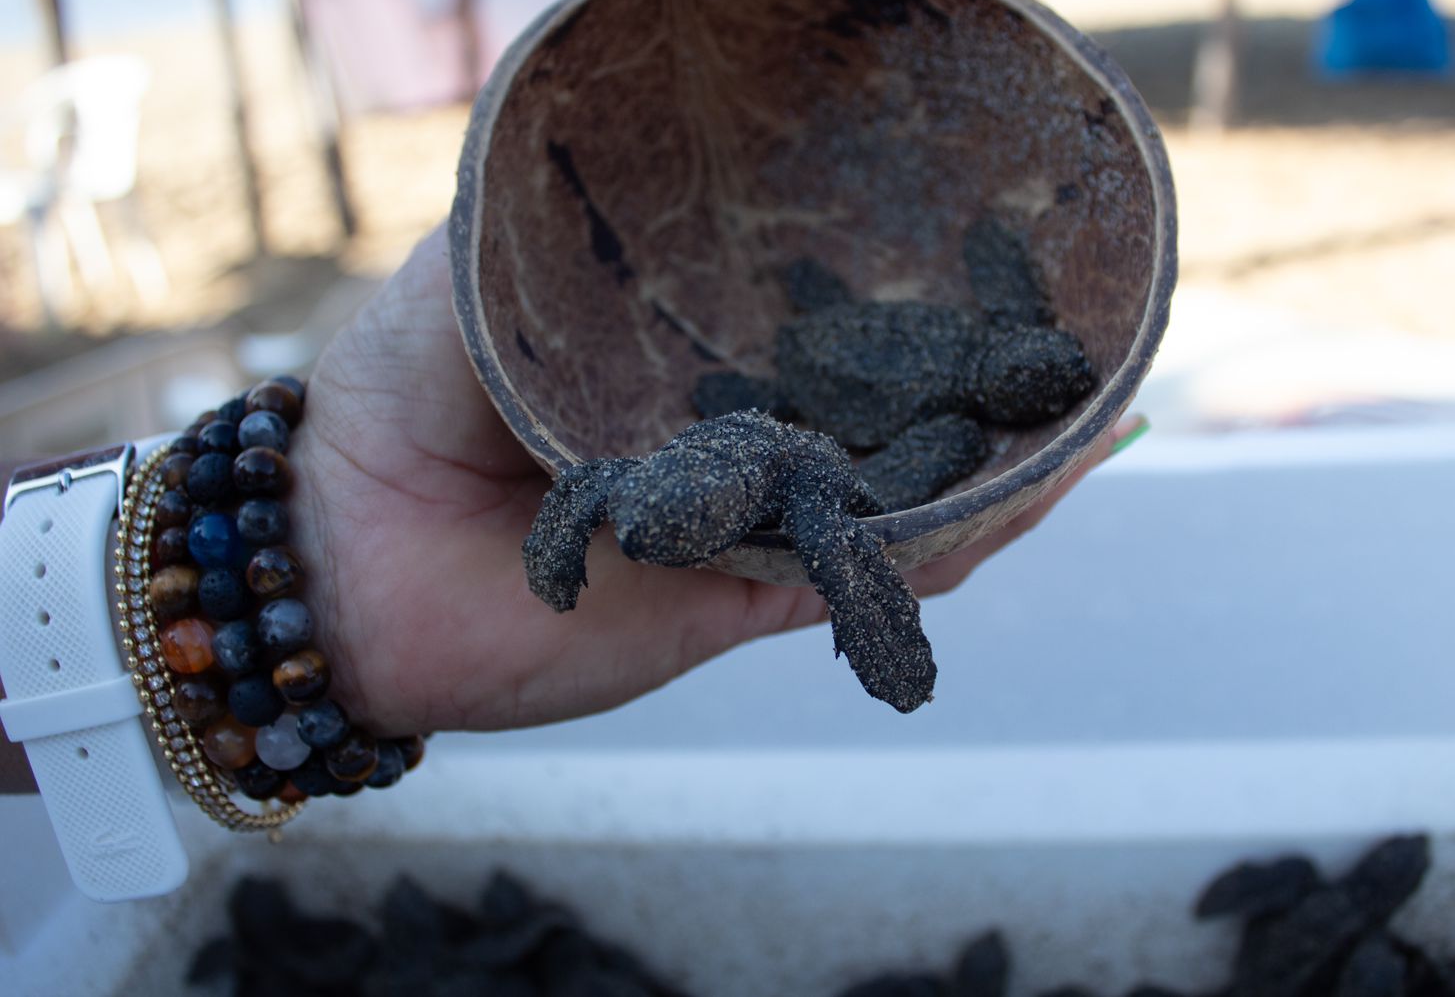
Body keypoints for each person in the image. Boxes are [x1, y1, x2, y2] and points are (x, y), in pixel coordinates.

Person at [0, 224, 1139, 795]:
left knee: (819, 482)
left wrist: (330, 579)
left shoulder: (784, 451)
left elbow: (614, 491)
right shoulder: (831, 455)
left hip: (769, 414)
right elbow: (857, 509)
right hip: (769, 425)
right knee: (851, 503)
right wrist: (336, 559)